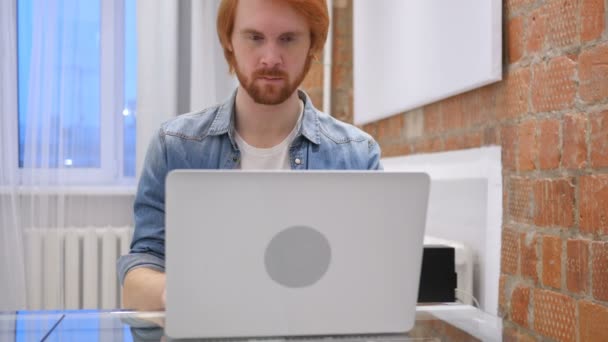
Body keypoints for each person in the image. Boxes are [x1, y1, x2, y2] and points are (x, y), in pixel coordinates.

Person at [118, 0, 382, 311]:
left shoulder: (357, 155)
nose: (271, 58)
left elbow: (372, 275)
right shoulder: (175, 146)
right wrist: (182, 294)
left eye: (288, 39)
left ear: (313, 44)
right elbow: (140, 271)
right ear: (229, 40)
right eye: (254, 38)